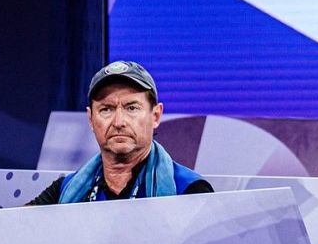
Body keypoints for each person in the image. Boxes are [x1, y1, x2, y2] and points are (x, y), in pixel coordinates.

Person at [27, 60, 212, 205]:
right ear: (91, 119)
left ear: (155, 116)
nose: (119, 122)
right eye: (106, 109)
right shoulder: (64, 191)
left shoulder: (190, 190)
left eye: (132, 108)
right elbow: (17, 230)